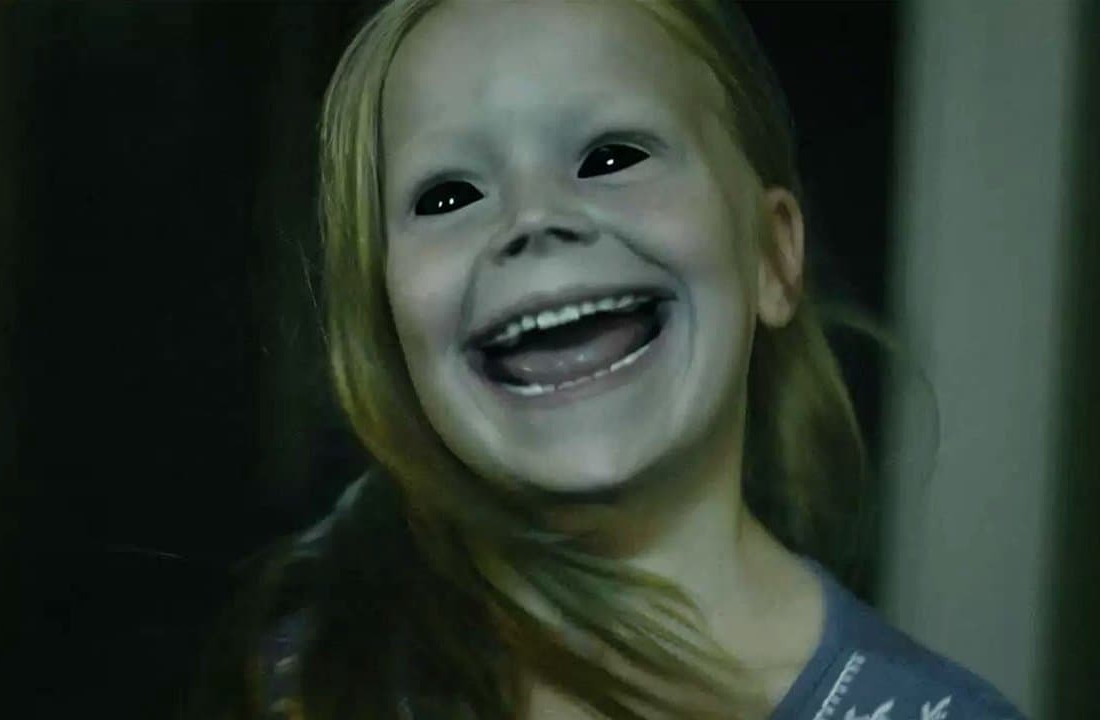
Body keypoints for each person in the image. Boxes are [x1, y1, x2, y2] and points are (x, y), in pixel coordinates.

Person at [185, 1, 1027, 718]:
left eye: (612, 158)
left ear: (773, 257)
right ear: (389, 326)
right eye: (448, 195)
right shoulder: (306, 670)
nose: (534, 218)